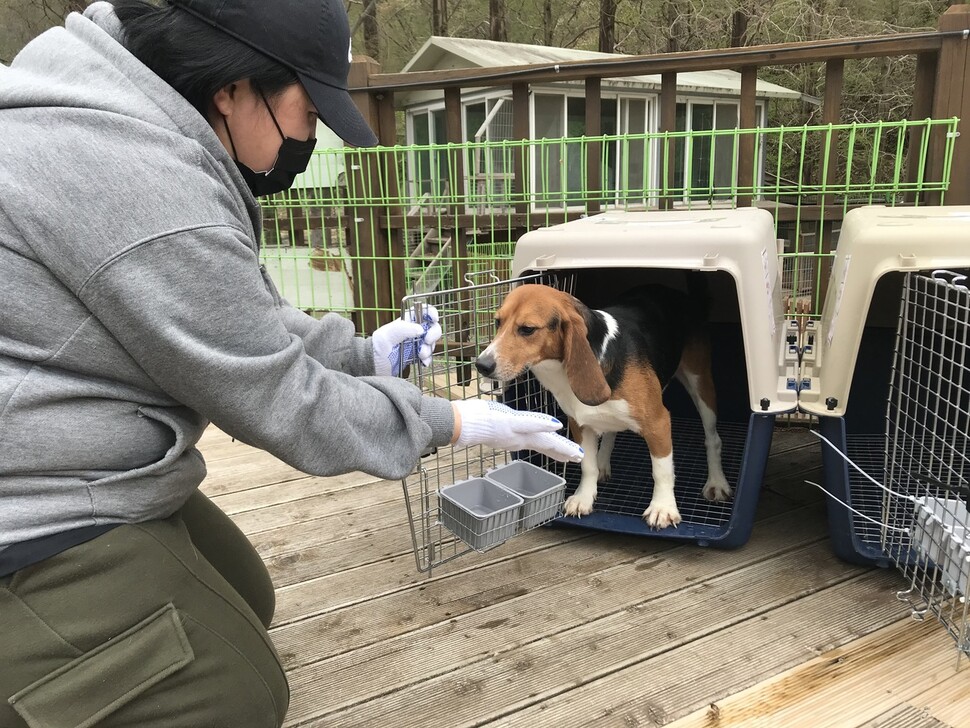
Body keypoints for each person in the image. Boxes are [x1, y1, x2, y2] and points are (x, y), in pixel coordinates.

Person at [0, 1, 584, 725]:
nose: (310, 137)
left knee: (248, 595)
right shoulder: (131, 177)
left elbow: (240, 315)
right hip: (29, 500)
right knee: (236, 693)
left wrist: (365, 353)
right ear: (232, 88)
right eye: (308, 111)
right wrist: (454, 421)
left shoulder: (124, 114)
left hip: (76, 447)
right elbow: (282, 400)